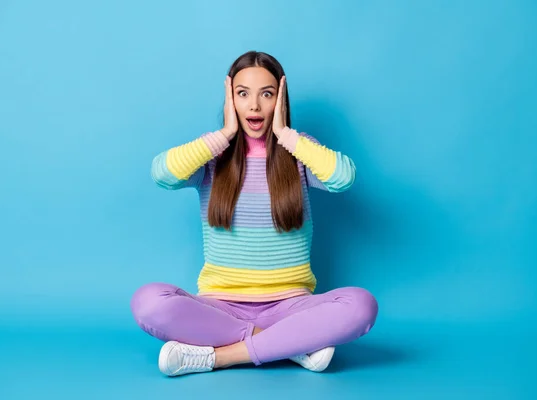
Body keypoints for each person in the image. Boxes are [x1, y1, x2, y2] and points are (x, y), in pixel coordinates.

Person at [130, 51, 378, 377]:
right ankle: (288, 346)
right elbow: (161, 174)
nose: (255, 106)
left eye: (267, 94)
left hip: (291, 307)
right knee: (148, 301)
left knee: (361, 305)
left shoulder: (298, 151)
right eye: (243, 94)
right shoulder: (212, 156)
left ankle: (222, 356)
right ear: (230, 99)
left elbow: (343, 178)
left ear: (281, 100)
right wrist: (224, 135)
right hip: (218, 308)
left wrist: (286, 134)